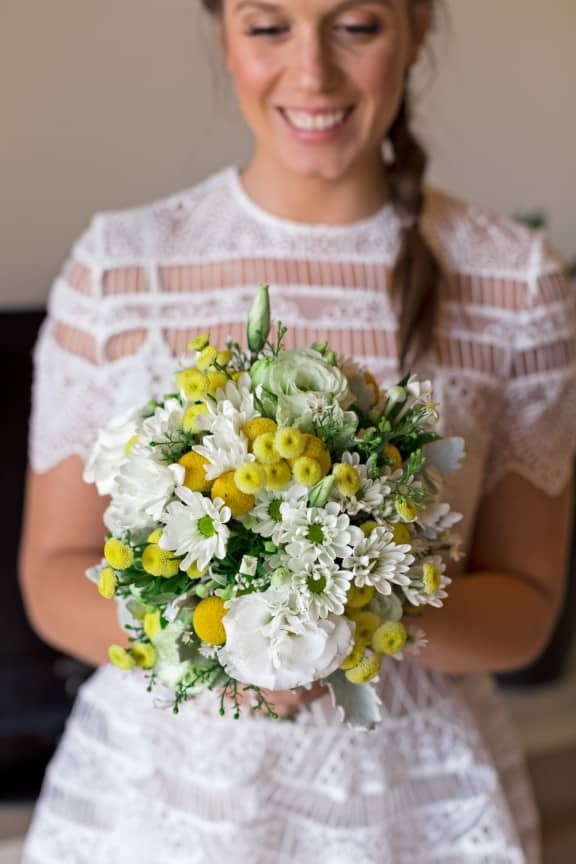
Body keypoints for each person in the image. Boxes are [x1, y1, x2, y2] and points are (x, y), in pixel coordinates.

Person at [19, 0, 576, 861]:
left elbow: (527, 615)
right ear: (225, 37)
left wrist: (343, 616)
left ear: (416, 32)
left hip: (408, 804)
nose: (311, 73)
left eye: (356, 26)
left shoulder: (513, 280)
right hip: (162, 798)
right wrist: (230, 644)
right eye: (268, 25)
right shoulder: (121, 265)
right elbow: (53, 577)